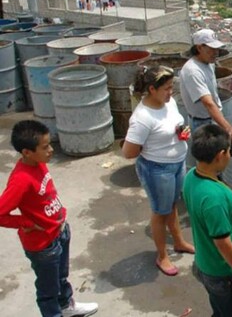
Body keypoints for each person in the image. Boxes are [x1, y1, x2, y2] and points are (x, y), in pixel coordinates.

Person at [0, 120, 99, 317]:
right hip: (43, 245)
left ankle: (66, 306)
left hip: (60, 231)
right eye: (45, 147)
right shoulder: (20, 180)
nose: (51, 150)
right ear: (27, 152)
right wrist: (25, 223)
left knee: (61, 278)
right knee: (48, 291)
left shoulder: (39, 163)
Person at [122, 65, 194, 276]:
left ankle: (179, 241)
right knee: (160, 212)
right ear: (152, 89)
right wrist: (153, 146)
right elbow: (128, 152)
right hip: (157, 169)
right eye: (167, 88)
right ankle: (162, 255)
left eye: (172, 87)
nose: (171, 92)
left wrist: (181, 132)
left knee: (171, 205)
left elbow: (173, 124)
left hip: (177, 163)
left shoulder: (168, 103)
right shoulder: (142, 118)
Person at [183, 124, 232, 317]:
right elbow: (223, 242)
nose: (230, 156)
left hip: (205, 262)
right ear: (220, 155)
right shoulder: (214, 198)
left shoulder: (191, 177)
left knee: (220, 309)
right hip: (223, 273)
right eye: (229, 152)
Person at [180, 28, 232, 141]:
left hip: (213, 118)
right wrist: (229, 128)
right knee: (208, 156)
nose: (216, 52)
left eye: (217, 49)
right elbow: (208, 103)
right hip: (202, 123)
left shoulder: (208, 63)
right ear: (199, 47)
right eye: (212, 49)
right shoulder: (193, 71)